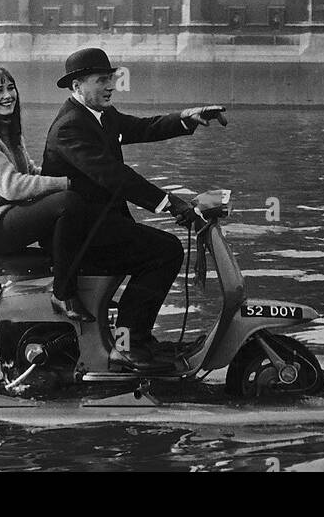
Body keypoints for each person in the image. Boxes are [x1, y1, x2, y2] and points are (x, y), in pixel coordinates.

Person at [41, 46, 227, 370]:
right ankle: (128, 343)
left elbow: (141, 127)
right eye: (102, 80)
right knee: (164, 250)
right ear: (77, 86)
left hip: (99, 226)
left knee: (161, 248)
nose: (111, 86)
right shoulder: (69, 127)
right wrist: (170, 203)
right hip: (80, 236)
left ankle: (136, 338)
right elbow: (114, 177)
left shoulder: (99, 116)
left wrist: (185, 119)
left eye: (110, 79)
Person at [0, 63, 96, 322]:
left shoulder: (6, 128)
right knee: (68, 202)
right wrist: (68, 183)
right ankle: (63, 295)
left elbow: (30, 171)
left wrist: (83, 176)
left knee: (77, 212)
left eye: (11, 87)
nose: (8, 95)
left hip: (7, 213)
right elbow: (13, 186)